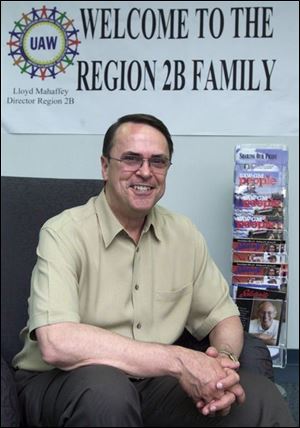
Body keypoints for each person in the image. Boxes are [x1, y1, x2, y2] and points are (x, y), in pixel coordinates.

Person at [12, 114, 295, 427]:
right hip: (62, 382)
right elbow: (57, 343)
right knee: (107, 394)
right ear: (105, 167)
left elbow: (223, 316)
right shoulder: (63, 232)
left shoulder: (183, 234)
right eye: (132, 159)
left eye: (158, 162)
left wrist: (222, 366)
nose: (145, 172)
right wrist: (179, 361)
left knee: (257, 397)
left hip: (152, 383)